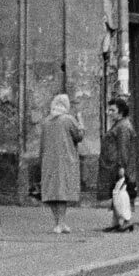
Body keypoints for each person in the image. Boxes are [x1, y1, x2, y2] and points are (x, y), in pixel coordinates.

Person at [38, 93, 83, 234]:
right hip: (65, 161)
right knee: (62, 192)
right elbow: (79, 136)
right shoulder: (68, 120)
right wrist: (81, 122)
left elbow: (42, 144)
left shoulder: (46, 121)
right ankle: (61, 223)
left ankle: (57, 222)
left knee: (51, 191)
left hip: (48, 161)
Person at [99, 97, 139, 230]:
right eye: (109, 109)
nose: (108, 112)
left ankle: (126, 220)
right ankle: (116, 221)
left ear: (120, 111)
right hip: (113, 164)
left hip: (119, 165)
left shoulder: (123, 126)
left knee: (121, 192)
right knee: (116, 192)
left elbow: (124, 148)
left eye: (112, 110)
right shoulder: (120, 124)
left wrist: (122, 166)